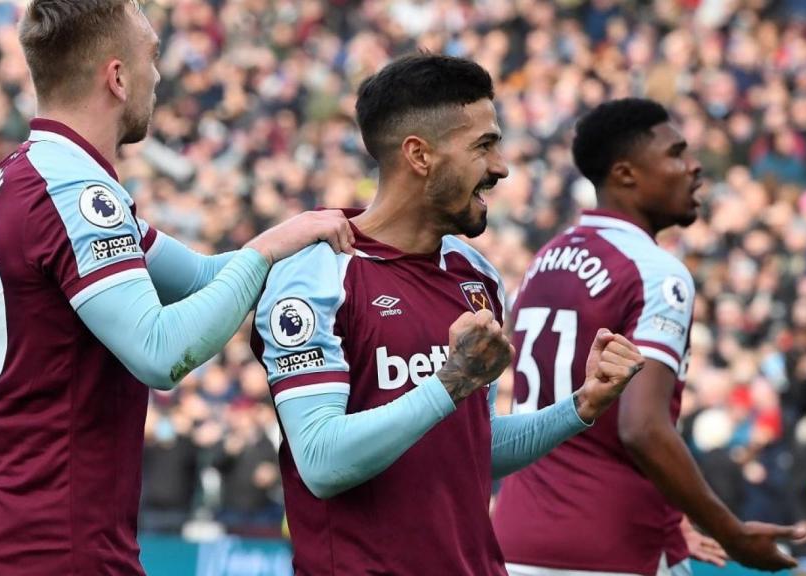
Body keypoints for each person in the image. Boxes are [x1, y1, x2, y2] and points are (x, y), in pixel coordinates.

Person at [0, 1, 352, 574]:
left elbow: (199, 278)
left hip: (10, 531)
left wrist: (315, 252)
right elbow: (160, 351)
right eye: (153, 55)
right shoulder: (75, 191)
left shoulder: (24, 173)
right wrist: (266, 250)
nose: (160, 75)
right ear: (117, 77)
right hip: (55, 547)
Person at [250, 54, 645, 575]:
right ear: (420, 155)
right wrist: (450, 381)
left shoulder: (475, 275)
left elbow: (474, 443)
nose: (501, 166)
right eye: (483, 146)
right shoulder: (317, 274)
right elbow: (322, 462)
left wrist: (579, 406)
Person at [491, 98, 806, 576]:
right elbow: (641, 428)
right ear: (626, 174)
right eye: (676, 153)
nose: (694, 167)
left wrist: (674, 516)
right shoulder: (655, 271)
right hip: (614, 546)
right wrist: (731, 532)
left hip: (516, 540)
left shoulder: (544, 260)